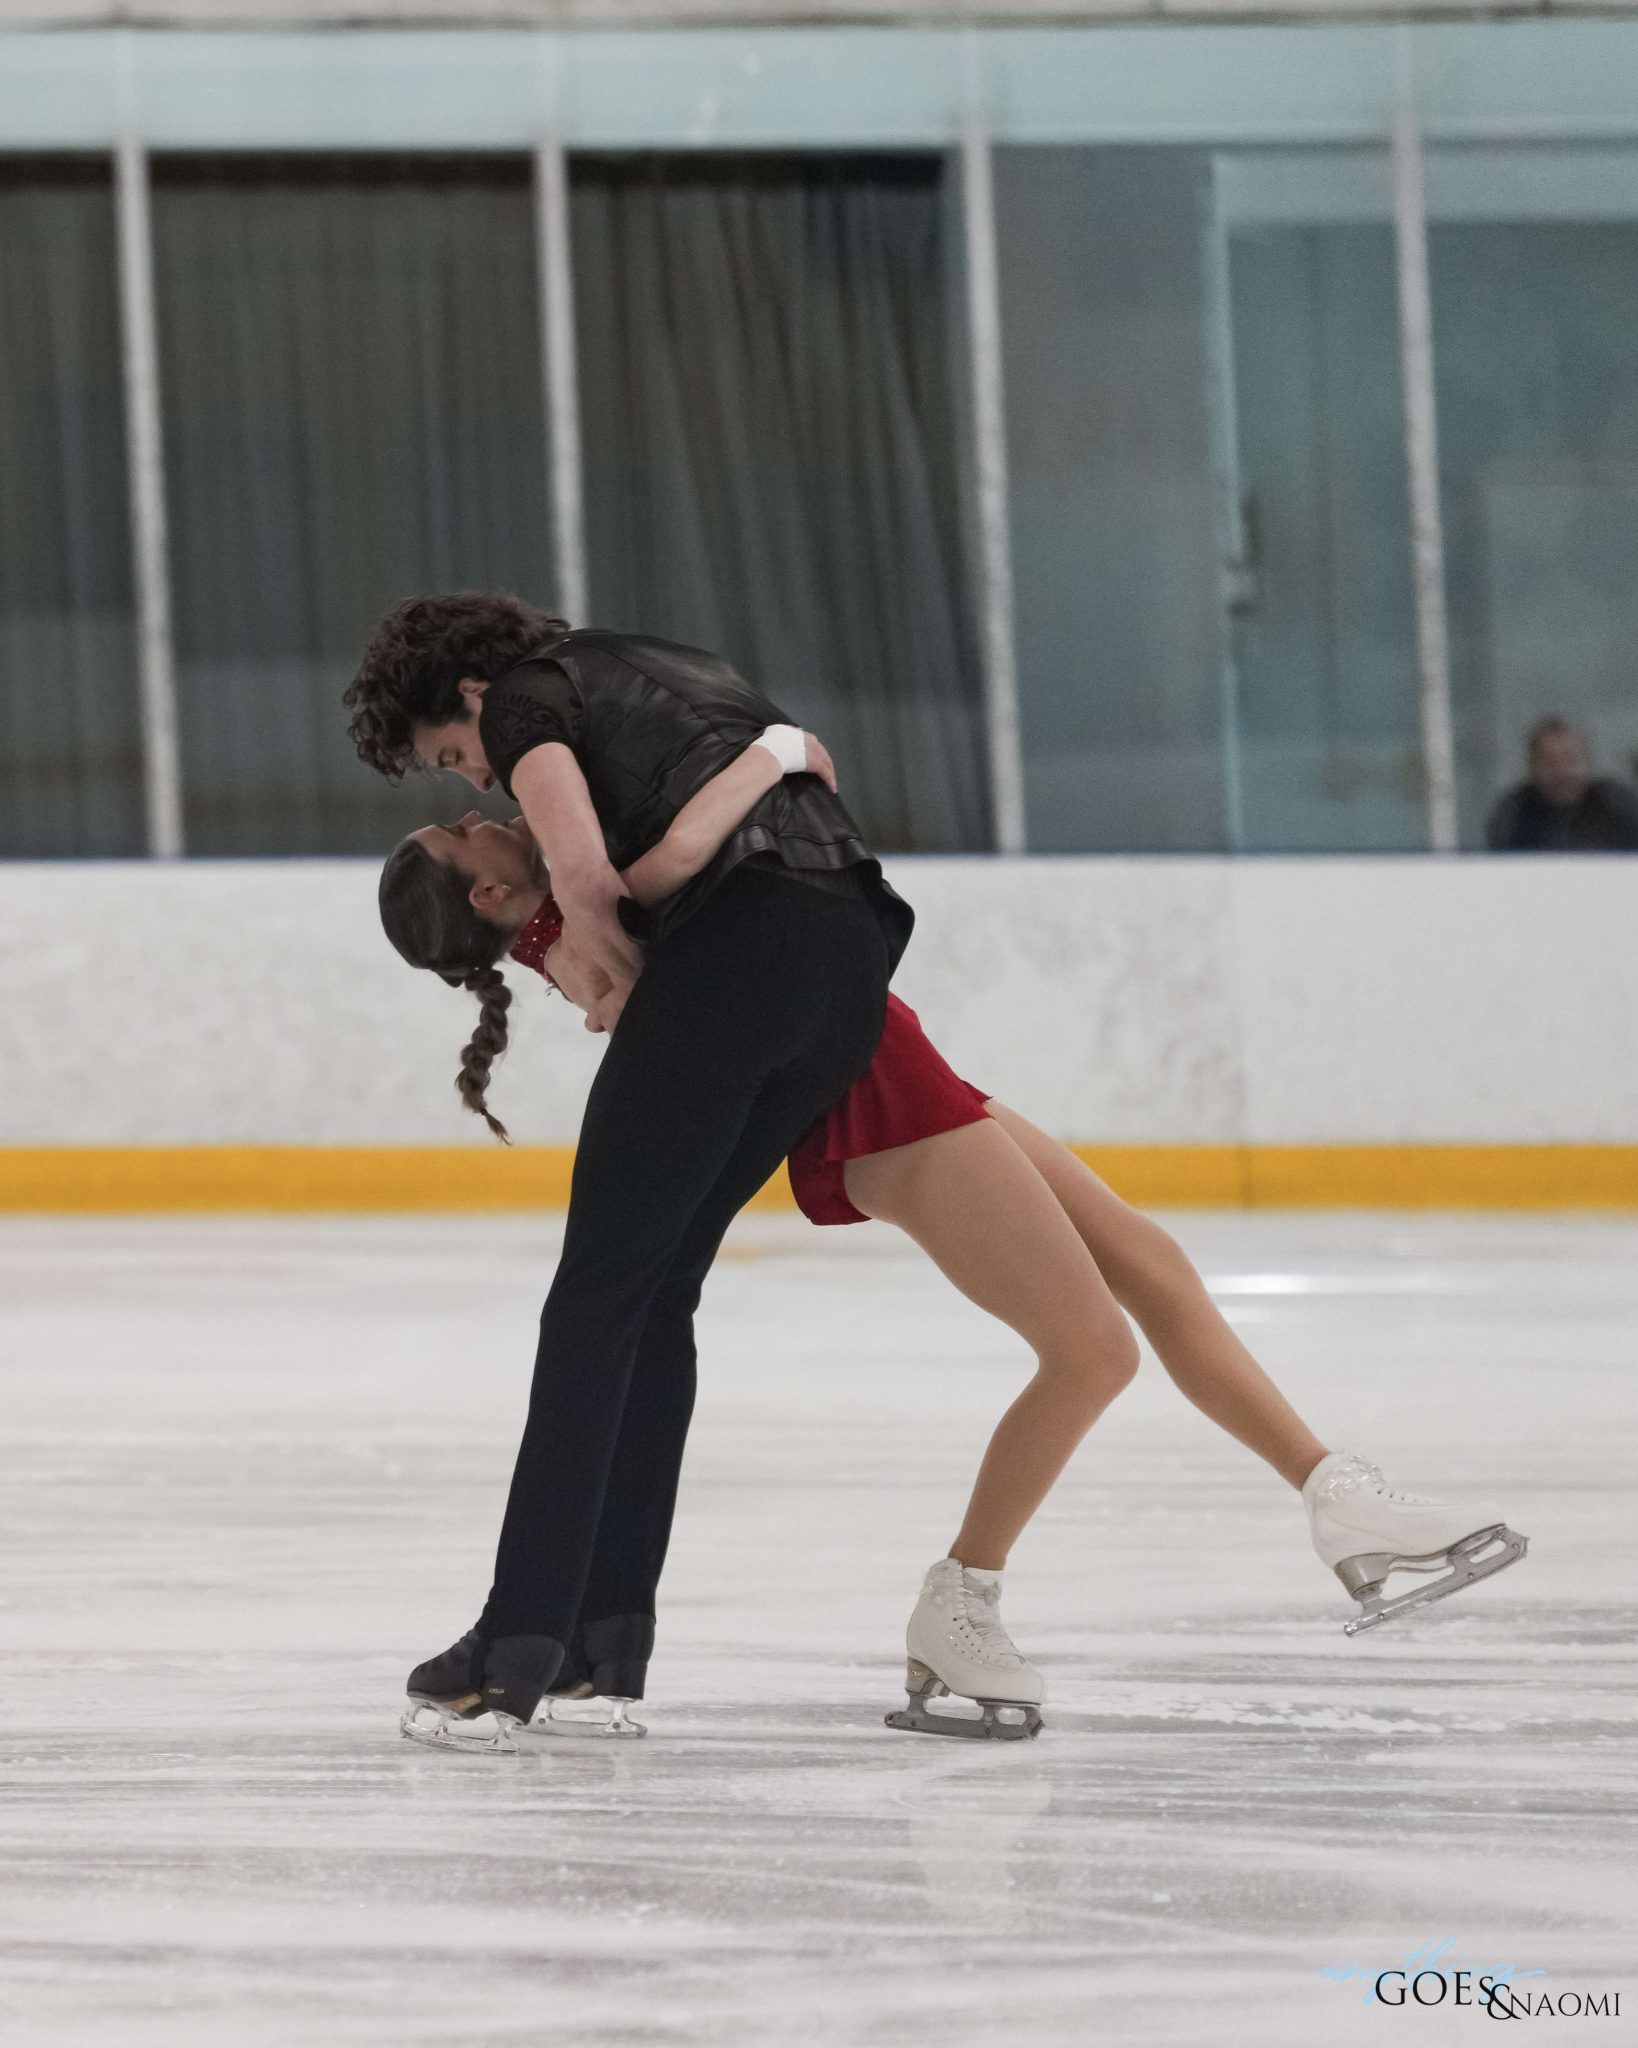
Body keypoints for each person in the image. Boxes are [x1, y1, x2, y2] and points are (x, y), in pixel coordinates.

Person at [381, 732, 1529, 1746]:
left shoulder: (570, 890)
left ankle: (1335, 1492)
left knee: (1148, 1259)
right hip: (865, 1103)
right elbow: (661, 953)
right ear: (487, 892)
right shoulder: (578, 924)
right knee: (1092, 1350)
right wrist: (776, 749)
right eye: (461, 831)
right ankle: (962, 1597)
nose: (481, 814)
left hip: (893, 1054)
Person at [346, 591, 913, 1746]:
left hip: (743, 950)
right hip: (853, 961)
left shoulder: (521, 700)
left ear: (470, 692)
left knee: (596, 1300)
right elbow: (760, 782)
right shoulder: (658, 661)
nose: (479, 780)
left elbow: (589, 881)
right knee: (656, 1296)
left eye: (454, 758)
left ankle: (516, 1643)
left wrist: (613, 962)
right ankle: (607, 1642)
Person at [1485, 716, 1638, 852]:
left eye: (1571, 761)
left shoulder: (1615, 804)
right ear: (1532, 767)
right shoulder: (1515, 814)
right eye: (1550, 763)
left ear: (1588, 763)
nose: (1562, 772)